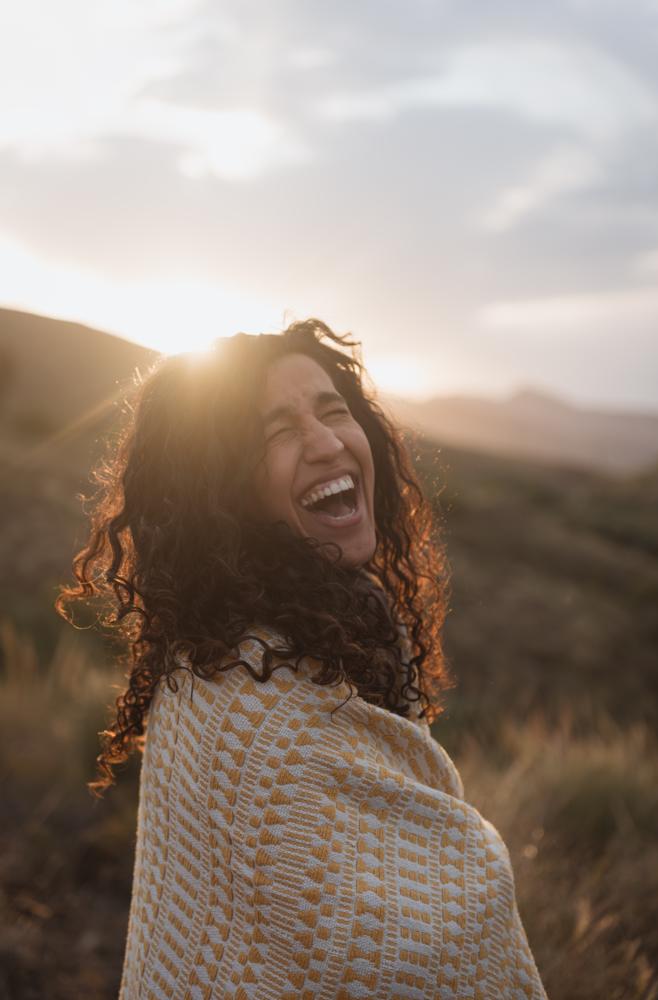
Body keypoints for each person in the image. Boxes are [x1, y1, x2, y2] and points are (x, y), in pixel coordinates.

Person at [56, 318, 548, 999]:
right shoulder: (250, 697)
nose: (325, 443)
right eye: (276, 432)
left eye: (333, 411)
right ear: (221, 489)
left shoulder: (322, 632)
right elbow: (430, 953)